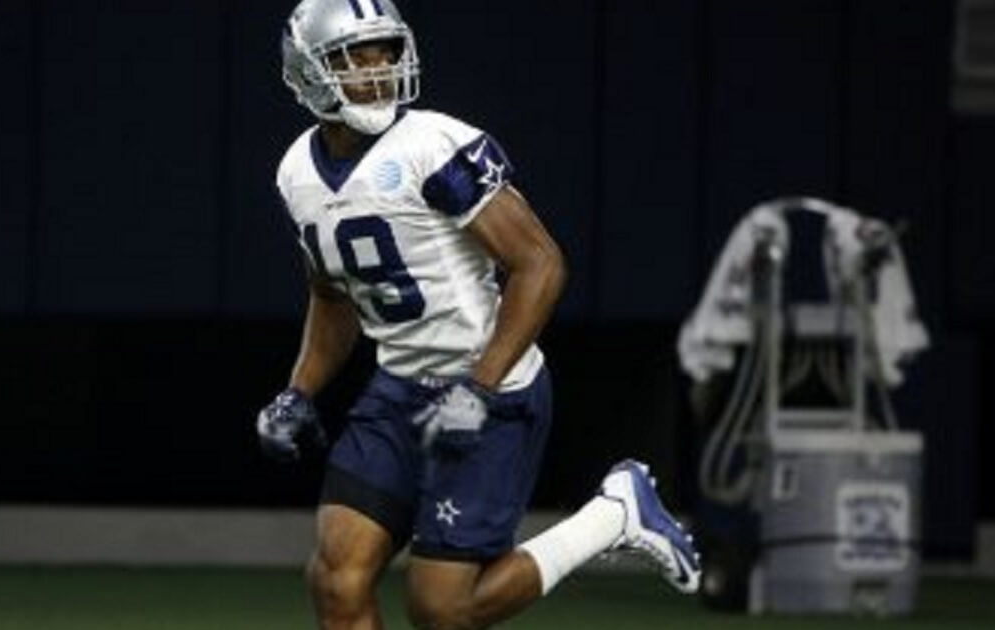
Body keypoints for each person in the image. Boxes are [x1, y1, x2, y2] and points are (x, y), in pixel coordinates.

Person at [256, 1, 701, 627]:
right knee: (336, 581)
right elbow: (333, 296)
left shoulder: (435, 144)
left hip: (492, 390)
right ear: (307, 70)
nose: (379, 72)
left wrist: (480, 387)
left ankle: (614, 515)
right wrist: (299, 392)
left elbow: (541, 264)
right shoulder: (295, 171)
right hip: (397, 392)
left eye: (386, 53)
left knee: (442, 609)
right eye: (355, 57)